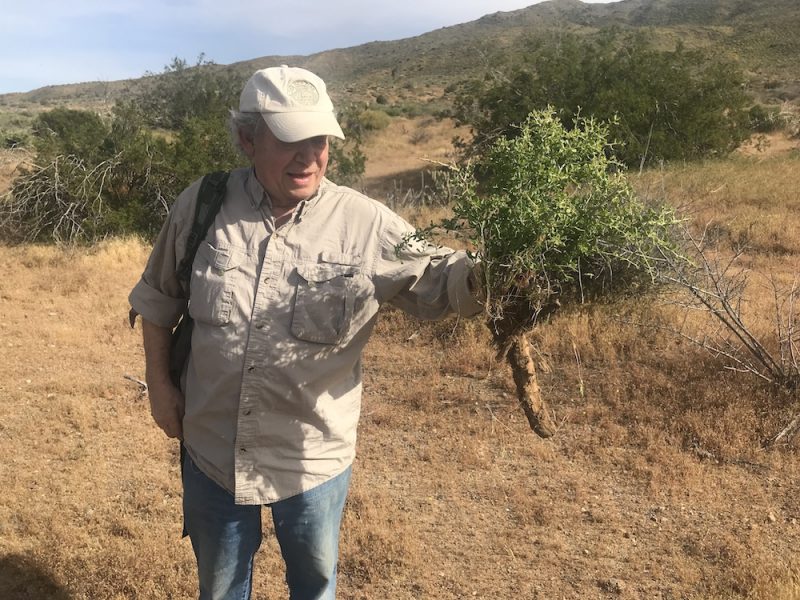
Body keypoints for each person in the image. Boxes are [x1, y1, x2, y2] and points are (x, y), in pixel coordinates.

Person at [128, 65, 483, 600]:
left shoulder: (365, 223)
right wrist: (160, 385)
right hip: (213, 447)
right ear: (248, 140)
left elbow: (442, 278)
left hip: (311, 459)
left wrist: (502, 273)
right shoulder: (202, 206)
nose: (309, 155)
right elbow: (157, 300)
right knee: (220, 588)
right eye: (290, 139)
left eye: (319, 140)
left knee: (315, 586)